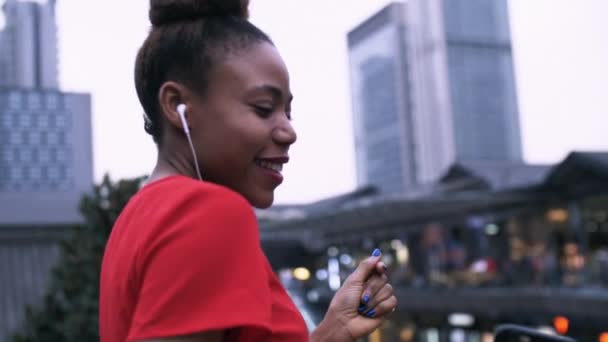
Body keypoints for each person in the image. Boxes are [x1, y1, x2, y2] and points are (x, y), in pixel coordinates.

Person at [99, 1, 398, 341]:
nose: (289, 132)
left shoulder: (136, 219)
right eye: (263, 108)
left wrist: (333, 331)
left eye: (288, 112)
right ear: (176, 106)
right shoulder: (205, 212)